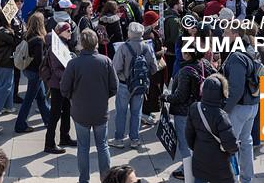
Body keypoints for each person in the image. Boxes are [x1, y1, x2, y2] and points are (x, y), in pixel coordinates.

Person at [60, 29, 117, 183]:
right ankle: (106, 179)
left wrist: (73, 98)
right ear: (96, 43)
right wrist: (103, 97)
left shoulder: (74, 63)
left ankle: (84, 180)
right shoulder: (105, 61)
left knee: (83, 148)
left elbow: (64, 88)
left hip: (80, 112)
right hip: (100, 112)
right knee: (103, 146)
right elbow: (114, 87)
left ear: (82, 44)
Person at [161, 45, 216, 180]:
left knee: (185, 145)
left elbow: (180, 97)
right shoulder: (205, 64)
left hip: (184, 113)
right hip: (201, 110)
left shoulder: (185, 71)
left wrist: (165, 97)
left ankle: (188, 172)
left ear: (187, 54)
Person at [109, 22, 158, 149]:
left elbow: (116, 68)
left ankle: (119, 139)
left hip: (124, 85)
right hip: (140, 85)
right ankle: (135, 139)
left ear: (130, 33)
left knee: (121, 113)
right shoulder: (146, 47)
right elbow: (154, 68)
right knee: (136, 113)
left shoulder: (123, 47)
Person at [221, 26, 259, 183]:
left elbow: (236, 89)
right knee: (246, 142)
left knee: (230, 145)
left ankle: (232, 179)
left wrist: (224, 110)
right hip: (252, 104)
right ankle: (246, 179)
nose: (223, 35)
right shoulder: (250, 49)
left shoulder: (237, 56)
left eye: (226, 32)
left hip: (239, 107)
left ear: (235, 35)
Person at [186, 74, 239, 183]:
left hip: (199, 161)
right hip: (219, 166)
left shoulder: (195, 108)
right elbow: (230, 145)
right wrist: (236, 147)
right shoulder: (221, 116)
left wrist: (196, 148)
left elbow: (189, 135)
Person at [14, 12, 50, 133]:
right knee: (29, 100)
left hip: (28, 70)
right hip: (36, 73)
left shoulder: (27, 35)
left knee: (41, 97)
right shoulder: (39, 40)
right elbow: (39, 60)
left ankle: (48, 119)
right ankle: (20, 125)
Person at [0, 14, 19, 116]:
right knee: (4, 84)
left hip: (4, 59)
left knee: (8, 83)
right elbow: (16, 41)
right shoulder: (4, 32)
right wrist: (17, 28)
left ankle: (8, 106)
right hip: (5, 60)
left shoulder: (1, 30)